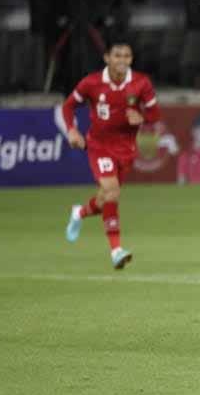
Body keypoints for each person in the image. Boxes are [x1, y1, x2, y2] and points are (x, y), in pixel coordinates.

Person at [62, 41, 161, 269]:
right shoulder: (92, 83)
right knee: (112, 192)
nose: (122, 60)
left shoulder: (141, 83)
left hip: (126, 150)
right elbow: (68, 106)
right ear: (107, 58)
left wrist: (142, 118)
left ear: (131, 59)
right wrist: (72, 129)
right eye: (117, 55)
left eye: (127, 56)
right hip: (99, 146)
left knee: (105, 198)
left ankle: (80, 212)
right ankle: (116, 250)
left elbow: (155, 114)